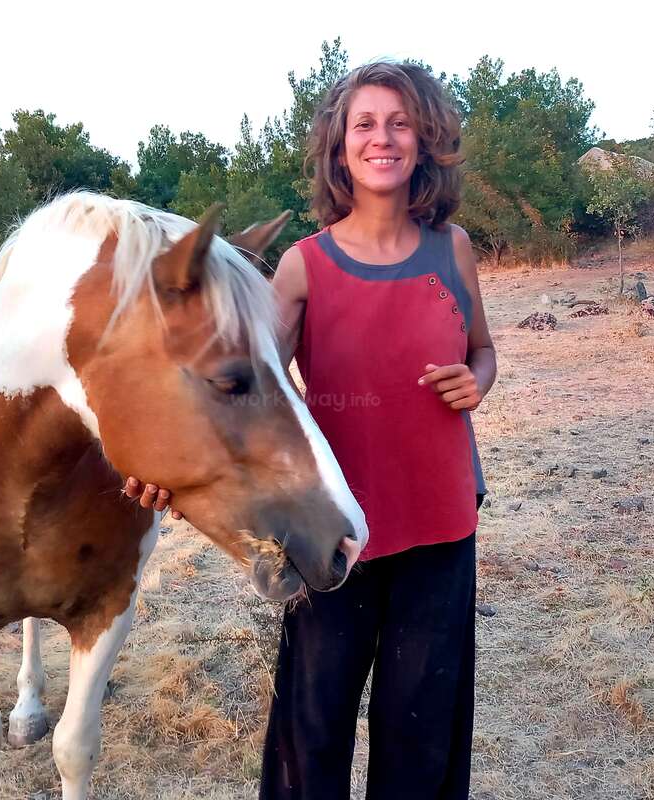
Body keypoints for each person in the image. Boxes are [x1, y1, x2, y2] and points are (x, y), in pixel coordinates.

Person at [126, 61, 496, 800]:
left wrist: (477, 381)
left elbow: (482, 350)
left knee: (421, 731)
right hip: (331, 535)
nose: (383, 138)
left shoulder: (452, 248)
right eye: (365, 124)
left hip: (441, 526)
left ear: (424, 141)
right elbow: (239, 394)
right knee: (314, 730)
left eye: (400, 123)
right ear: (339, 147)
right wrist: (170, 466)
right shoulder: (303, 266)